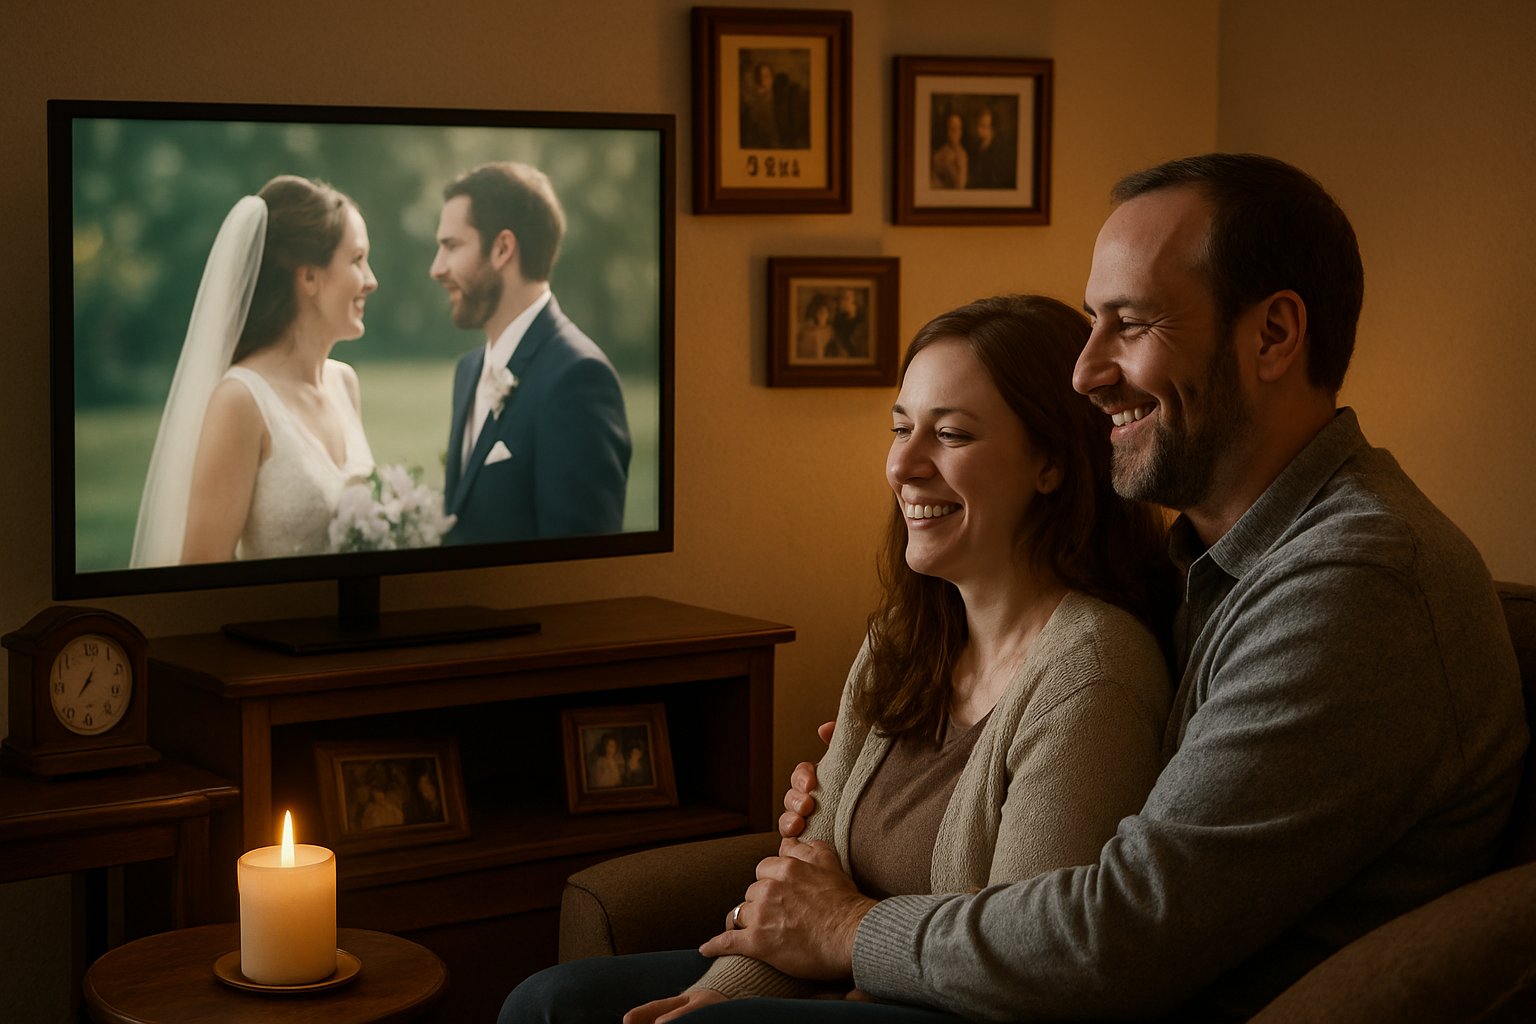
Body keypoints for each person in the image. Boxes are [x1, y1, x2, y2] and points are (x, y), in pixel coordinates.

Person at [719, 154, 1529, 1021]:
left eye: (1131, 325)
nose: (1085, 372)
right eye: (1089, 324)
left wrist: (849, 929)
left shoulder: (1356, 586)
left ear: (1274, 335)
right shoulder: (1205, 569)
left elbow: (1116, 938)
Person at [499, 294, 1178, 1023]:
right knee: (550, 1000)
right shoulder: (902, 639)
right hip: (840, 979)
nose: (903, 465)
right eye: (899, 428)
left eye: (949, 434)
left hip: (963, 1011)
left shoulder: (1093, 672)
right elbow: (808, 875)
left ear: (1051, 463)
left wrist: (840, 958)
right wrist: (718, 993)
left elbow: (1030, 962)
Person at [131, 175, 377, 567]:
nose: (371, 281)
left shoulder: (344, 382)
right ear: (309, 276)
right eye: (358, 260)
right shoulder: (241, 400)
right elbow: (203, 564)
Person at [433, 162, 631, 543]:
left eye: (452, 246)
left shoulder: (579, 379)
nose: (436, 268)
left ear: (503, 248)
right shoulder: (469, 370)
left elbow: (580, 569)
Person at [965, 106, 1013, 190]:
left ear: (992, 128)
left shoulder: (999, 151)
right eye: (977, 124)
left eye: (983, 125)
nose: (978, 129)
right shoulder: (974, 148)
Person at [825, 288, 868, 359]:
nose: (843, 301)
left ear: (854, 300)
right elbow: (835, 333)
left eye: (847, 298)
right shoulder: (839, 317)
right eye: (843, 298)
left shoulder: (861, 319)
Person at [929, 111, 967, 190]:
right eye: (952, 128)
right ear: (947, 130)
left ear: (961, 131)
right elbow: (933, 184)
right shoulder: (939, 155)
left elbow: (961, 185)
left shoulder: (963, 155)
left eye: (958, 128)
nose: (955, 131)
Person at [794, 296, 834, 360]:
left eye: (824, 312)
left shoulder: (830, 330)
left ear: (828, 313)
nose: (821, 315)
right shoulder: (809, 329)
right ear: (815, 313)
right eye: (819, 312)